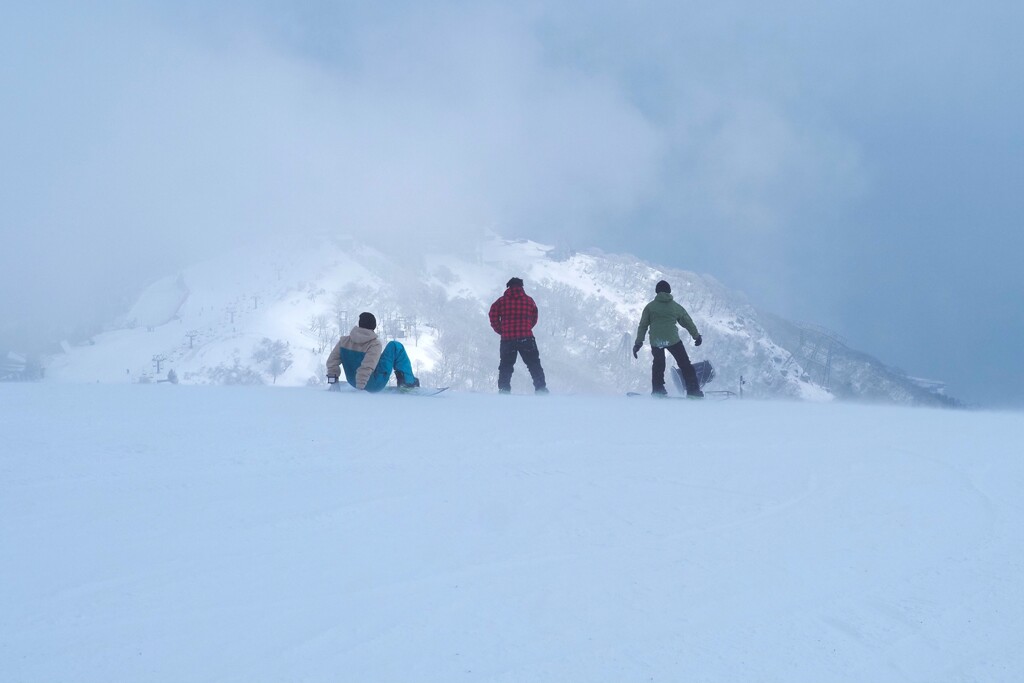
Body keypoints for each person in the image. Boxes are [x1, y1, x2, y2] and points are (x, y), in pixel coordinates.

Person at [633, 280, 704, 398]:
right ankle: (693, 392)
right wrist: (696, 336)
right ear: (669, 291)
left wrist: (638, 344)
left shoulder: (650, 307)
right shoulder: (675, 306)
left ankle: (658, 390)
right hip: (673, 340)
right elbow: (687, 322)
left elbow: (643, 326)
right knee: (685, 364)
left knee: (658, 365)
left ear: (656, 291)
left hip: (656, 340)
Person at [326, 312, 420, 391]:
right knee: (395, 346)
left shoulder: (344, 341)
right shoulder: (374, 344)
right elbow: (366, 367)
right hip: (371, 384)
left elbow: (332, 362)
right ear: (373, 326)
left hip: (353, 381)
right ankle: (407, 382)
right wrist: (360, 389)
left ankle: (406, 381)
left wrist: (333, 382)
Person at [488, 277, 548, 394]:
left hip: (507, 339)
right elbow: (534, 317)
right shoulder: (529, 301)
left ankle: (504, 390)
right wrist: (526, 327)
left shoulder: (500, 301)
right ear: (522, 287)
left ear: (508, 287)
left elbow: (492, 315)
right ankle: (541, 389)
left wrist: (501, 330)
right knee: (534, 364)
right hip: (526, 338)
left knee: (506, 366)